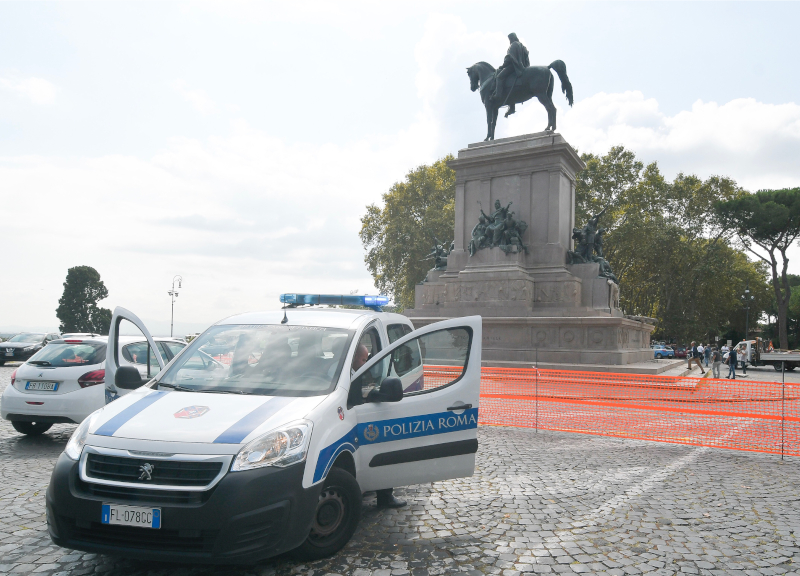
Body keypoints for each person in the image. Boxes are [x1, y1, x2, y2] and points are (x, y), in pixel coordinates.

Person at [351, 344, 407, 509]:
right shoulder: (351, 375)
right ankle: (384, 496)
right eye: (362, 359)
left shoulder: (349, 372)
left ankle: (384, 494)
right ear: (353, 358)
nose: (365, 363)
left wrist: (372, 396)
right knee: (383, 453)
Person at [492, 32, 530, 116]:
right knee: (510, 84)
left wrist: (502, 66)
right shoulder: (522, 46)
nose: (510, 40)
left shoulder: (513, 45)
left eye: (510, 39)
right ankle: (512, 107)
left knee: (499, 77)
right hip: (523, 67)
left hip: (514, 67)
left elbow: (509, 58)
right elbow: (527, 55)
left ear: (512, 38)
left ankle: (498, 95)